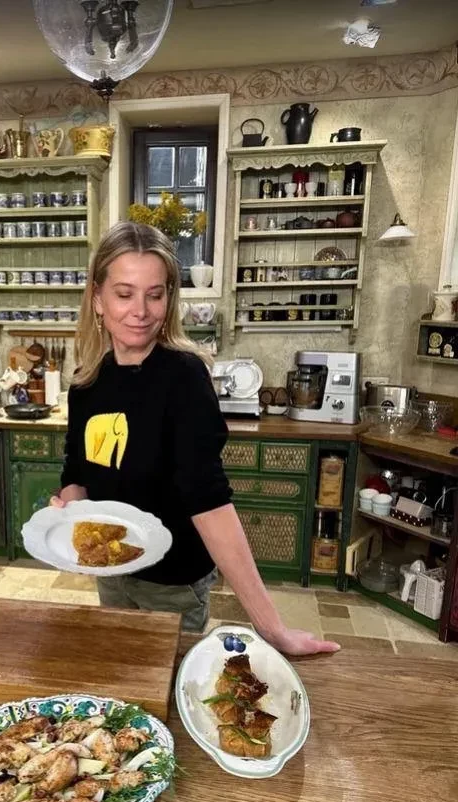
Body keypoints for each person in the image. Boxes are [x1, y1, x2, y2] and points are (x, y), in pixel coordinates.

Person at [51, 221, 339, 657]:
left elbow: (209, 503)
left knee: (167, 687)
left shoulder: (183, 378)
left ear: (169, 299)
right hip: (112, 574)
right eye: (124, 294)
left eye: (155, 294)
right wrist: (71, 513)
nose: (140, 310)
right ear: (97, 298)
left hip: (173, 585)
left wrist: (272, 628)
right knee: (124, 678)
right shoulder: (86, 383)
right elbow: (76, 473)